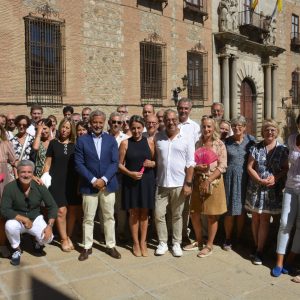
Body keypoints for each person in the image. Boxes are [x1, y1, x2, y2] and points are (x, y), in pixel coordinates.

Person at [75, 110, 121, 260]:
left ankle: (110, 245)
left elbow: (115, 162)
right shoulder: (82, 140)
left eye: (100, 122)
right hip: (89, 186)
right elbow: (79, 164)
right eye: (95, 122)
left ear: (104, 122)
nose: (97, 125)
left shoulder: (111, 140)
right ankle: (87, 247)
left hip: (108, 185)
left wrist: (105, 179)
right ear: (90, 123)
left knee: (108, 217)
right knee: (88, 217)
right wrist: (94, 180)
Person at [245, 119, 289, 265]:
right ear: (262, 132)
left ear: (276, 131)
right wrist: (258, 180)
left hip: (271, 191)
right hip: (256, 188)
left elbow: (285, 168)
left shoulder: (283, 149)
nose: (269, 132)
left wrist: (275, 177)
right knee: (255, 217)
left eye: (272, 130)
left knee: (264, 219)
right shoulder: (256, 147)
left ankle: (259, 250)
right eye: (266, 130)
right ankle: (256, 245)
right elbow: (250, 166)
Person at [0, 160, 58, 266]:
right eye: (23, 172)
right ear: (17, 172)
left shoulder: (39, 186)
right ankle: (16, 249)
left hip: (35, 218)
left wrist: (50, 226)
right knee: (10, 226)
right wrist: (23, 219)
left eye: (29, 172)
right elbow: (4, 209)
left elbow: (52, 206)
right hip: (17, 219)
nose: (26, 175)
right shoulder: (10, 187)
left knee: (48, 238)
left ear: (33, 173)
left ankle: (37, 242)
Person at [185, 116, 227, 258]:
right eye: (204, 126)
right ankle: (198, 240)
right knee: (194, 213)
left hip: (214, 182)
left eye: (209, 126)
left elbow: (222, 166)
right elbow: (192, 162)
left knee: (212, 215)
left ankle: (209, 245)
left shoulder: (219, 144)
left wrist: (208, 180)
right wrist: (197, 167)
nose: (206, 129)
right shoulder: (198, 144)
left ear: (213, 128)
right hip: (198, 181)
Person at [154, 109, 194, 257]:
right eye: (167, 120)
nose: (170, 122)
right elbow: (156, 158)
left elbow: (190, 162)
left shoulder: (187, 138)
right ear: (164, 121)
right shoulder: (158, 137)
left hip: (179, 183)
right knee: (159, 214)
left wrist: (188, 183)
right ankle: (163, 242)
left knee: (177, 215)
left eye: (173, 119)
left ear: (177, 120)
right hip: (162, 183)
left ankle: (176, 243)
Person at [119, 115, 155, 257]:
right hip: (131, 181)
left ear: (143, 127)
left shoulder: (150, 142)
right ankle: (135, 242)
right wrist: (130, 173)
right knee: (133, 213)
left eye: (139, 128)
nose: (136, 131)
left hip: (147, 181)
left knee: (145, 213)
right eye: (133, 128)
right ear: (130, 128)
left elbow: (155, 161)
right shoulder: (125, 143)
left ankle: (143, 241)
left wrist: (152, 164)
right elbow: (119, 164)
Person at [43, 118, 77, 252]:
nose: (64, 130)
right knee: (61, 211)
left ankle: (68, 236)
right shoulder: (53, 143)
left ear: (71, 130)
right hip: (56, 182)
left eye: (68, 128)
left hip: (72, 182)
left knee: (73, 212)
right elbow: (47, 164)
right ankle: (63, 239)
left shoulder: (76, 145)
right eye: (63, 127)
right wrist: (45, 177)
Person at [272, 115, 300, 277]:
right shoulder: (291, 139)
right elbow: (283, 158)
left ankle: (290, 259)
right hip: (290, 186)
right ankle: (279, 261)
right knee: (284, 223)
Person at [223, 116, 255, 251]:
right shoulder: (226, 142)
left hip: (245, 179)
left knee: (241, 211)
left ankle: (239, 237)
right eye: (234, 125)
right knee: (230, 210)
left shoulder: (251, 141)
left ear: (244, 127)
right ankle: (228, 238)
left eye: (240, 125)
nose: (237, 128)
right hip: (230, 178)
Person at [177, 98, 200, 243]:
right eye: (181, 108)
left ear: (190, 110)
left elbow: (197, 149)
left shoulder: (195, 127)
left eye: (186, 108)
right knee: (173, 205)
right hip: (174, 169)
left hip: (188, 170)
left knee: (186, 205)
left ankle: (184, 234)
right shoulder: (172, 123)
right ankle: (174, 233)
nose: (183, 111)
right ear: (177, 108)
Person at [0, 124, 17, 258]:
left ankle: (4, 244)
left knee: (4, 216)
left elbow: (15, 161)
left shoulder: (6, 143)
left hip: (3, 182)